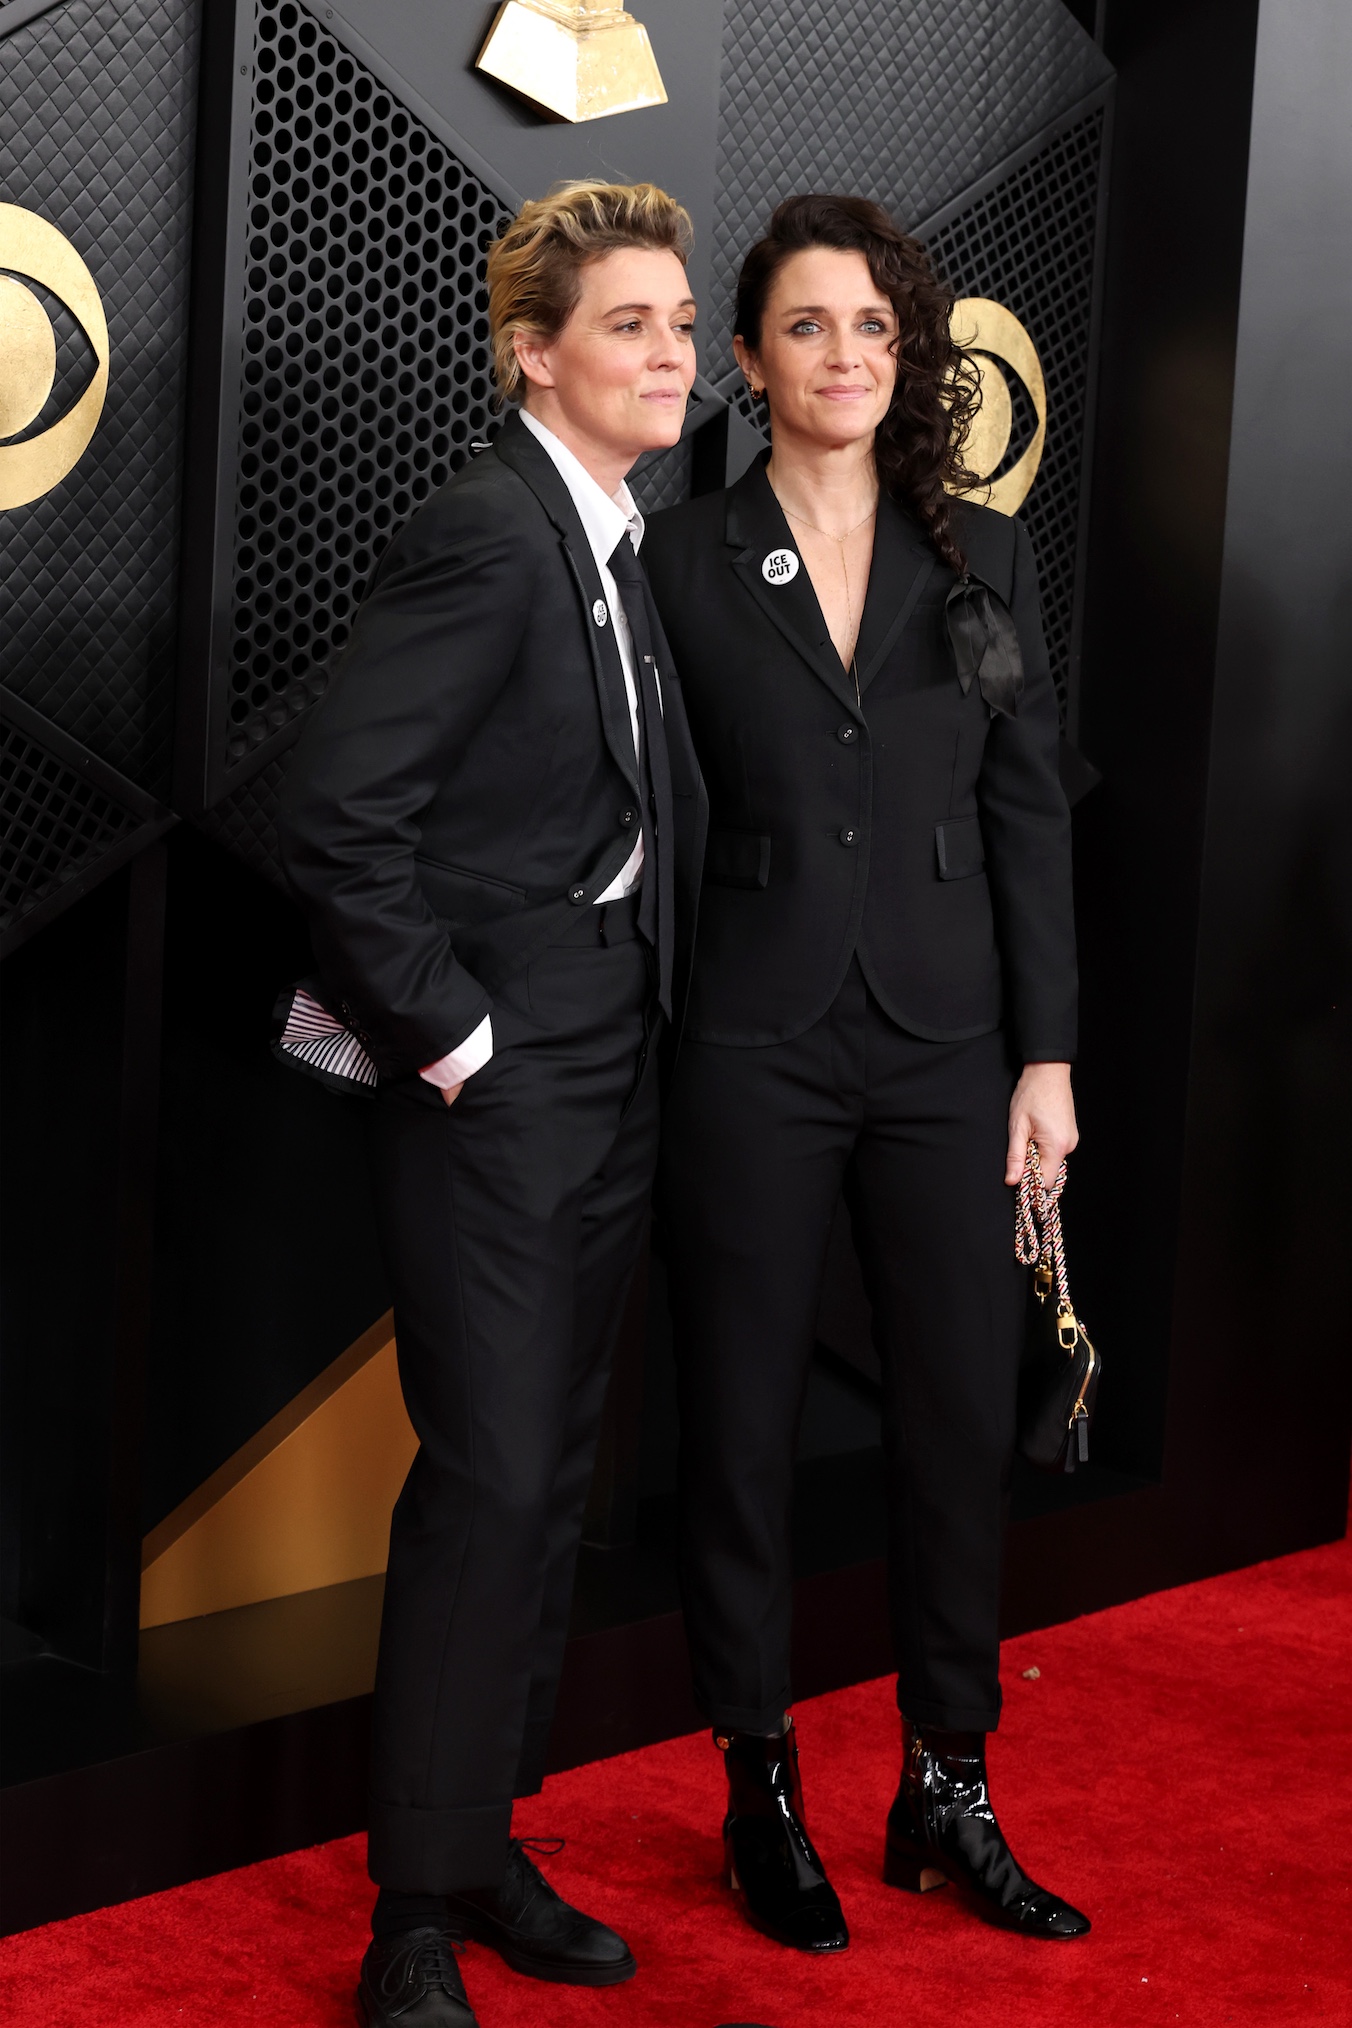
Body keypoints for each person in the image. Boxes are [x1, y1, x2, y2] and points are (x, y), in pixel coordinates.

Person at [278, 180, 707, 2028]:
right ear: (535, 351)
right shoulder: (488, 530)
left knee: (548, 1477)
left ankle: (482, 1839)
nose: (674, 353)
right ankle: (411, 1918)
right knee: (491, 1474)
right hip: (503, 1076)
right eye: (632, 325)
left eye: (685, 323)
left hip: (617, 1052)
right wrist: (458, 1044)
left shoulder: (615, 536)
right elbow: (337, 817)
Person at [643, 193, 1089, 1954]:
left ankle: (946, 1784)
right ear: (746, 360)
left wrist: (1046, 1059)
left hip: (947, 1042)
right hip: (747, 1039)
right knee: (740, 1421)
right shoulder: (680, 559)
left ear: (909, 359)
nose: (843, 357)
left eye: (875, 330)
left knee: (960, 1416)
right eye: (807, 327)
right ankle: (758, 1783)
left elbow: (1030, 811)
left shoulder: (983, 550)